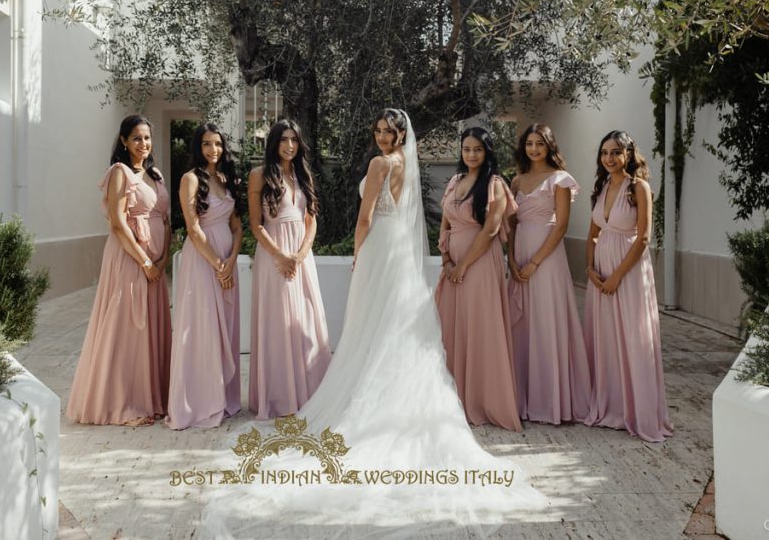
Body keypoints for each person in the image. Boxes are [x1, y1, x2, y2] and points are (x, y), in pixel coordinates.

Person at [200, 109, 547, 537]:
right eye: (379, 130)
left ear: (401, 134)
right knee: (394, 328)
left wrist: (359, 253)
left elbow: (364, 218)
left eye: (390, 131)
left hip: (380, 249)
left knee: (372, 327)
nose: (382, 137)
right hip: (400, 252)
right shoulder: (406, 164)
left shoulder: (381, 163)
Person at [66, 114, 171, 426]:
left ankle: (152, 399)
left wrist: (162, 259)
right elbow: (117, 222)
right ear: (124, 141)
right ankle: (122, 405)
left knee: (148, 330)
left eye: (147, 138)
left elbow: (165, 219)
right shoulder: (120, 173)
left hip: (155, 264)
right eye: (137, 138)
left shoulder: (155, 174)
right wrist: (146, 261)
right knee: (127, 328)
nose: (143, 144)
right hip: (130, 260)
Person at [583, 130, 673, 442]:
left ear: (628, 155)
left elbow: (645, 237)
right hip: (601, 272)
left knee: (634, 337)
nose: (609, 158)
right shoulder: (602, 186)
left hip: (630, 272)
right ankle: (612, 407)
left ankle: (639, 412)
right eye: (604, 152)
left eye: (615, 152)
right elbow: (593, 233)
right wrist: (590, 270)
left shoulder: (640, 187)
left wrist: (617, 276)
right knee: (607, 338)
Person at [434, 127, 521, 432]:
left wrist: (464, 266)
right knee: (452, 327)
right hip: (453, 266)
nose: (471, 155)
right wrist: (446, 260)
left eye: (477, 150)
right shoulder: (455, 182)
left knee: (481, 328)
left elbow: (490, 231)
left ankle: (484, 400)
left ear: (487, 152)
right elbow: (444, 224)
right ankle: (454, 397)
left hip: (481, 265)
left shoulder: (495, 184)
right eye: (467, 149)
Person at [507, 123, 592, 424]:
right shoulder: (516, 181)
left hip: (547, 259)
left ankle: (553, 402)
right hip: (519, 255)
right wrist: (512, 261)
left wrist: (534, 263)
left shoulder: (560, 179)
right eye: (529, 143)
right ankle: (524, 398)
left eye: (539, 144)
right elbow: (511, 224)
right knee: (523, 325)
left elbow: (562, 226)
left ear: (549, 146)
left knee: (547, 322)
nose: (533, 149)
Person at [247, 119, 331, 419]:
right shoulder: (258, 176)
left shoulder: (302, 174)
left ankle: (309, 393)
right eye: (284, 139)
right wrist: (281, 256)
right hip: (273, 256)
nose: (290, 145)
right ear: (273, 142)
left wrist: (300, 254)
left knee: (306, 320)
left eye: (295, 139)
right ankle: (280, 396)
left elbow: (311, 220)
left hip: (301, 256)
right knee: (279, 323)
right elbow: (256, 225)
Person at [166, 123, 243, 429]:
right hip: (202, 261)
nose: (214, 150)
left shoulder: (226, 179)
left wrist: (231, 259)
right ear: (198, 147)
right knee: (200, 327)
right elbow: (193, 228)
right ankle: (198, 402)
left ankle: (223, 397)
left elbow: (237, 226)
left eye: (218, 144)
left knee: (225, 324)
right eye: (207, 144)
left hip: (227, 258)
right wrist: (216, 264)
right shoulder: (189, 179)